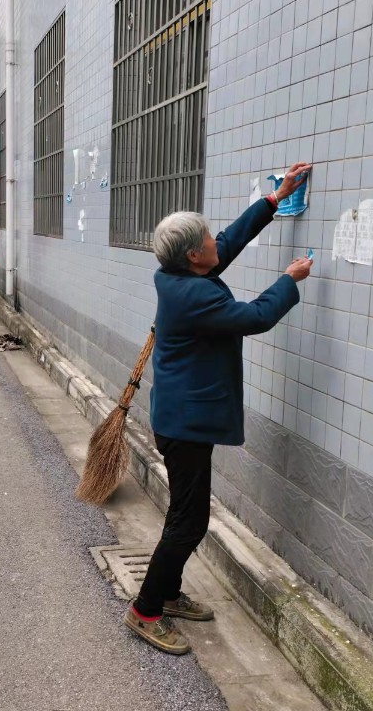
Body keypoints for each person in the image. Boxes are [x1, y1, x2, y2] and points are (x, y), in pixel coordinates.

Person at [123, 162, 314, 656]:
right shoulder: (192, 294)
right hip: (185, 426)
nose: (215, 240)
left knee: (185, 516)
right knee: (188, 522)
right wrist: (289, 279)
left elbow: (227, 243)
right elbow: (255, 316)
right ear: (193, 255)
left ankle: (167, 594)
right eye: (206, 238)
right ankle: (146, 609)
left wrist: (274, 200)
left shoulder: (179, 275)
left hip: (183, 418)